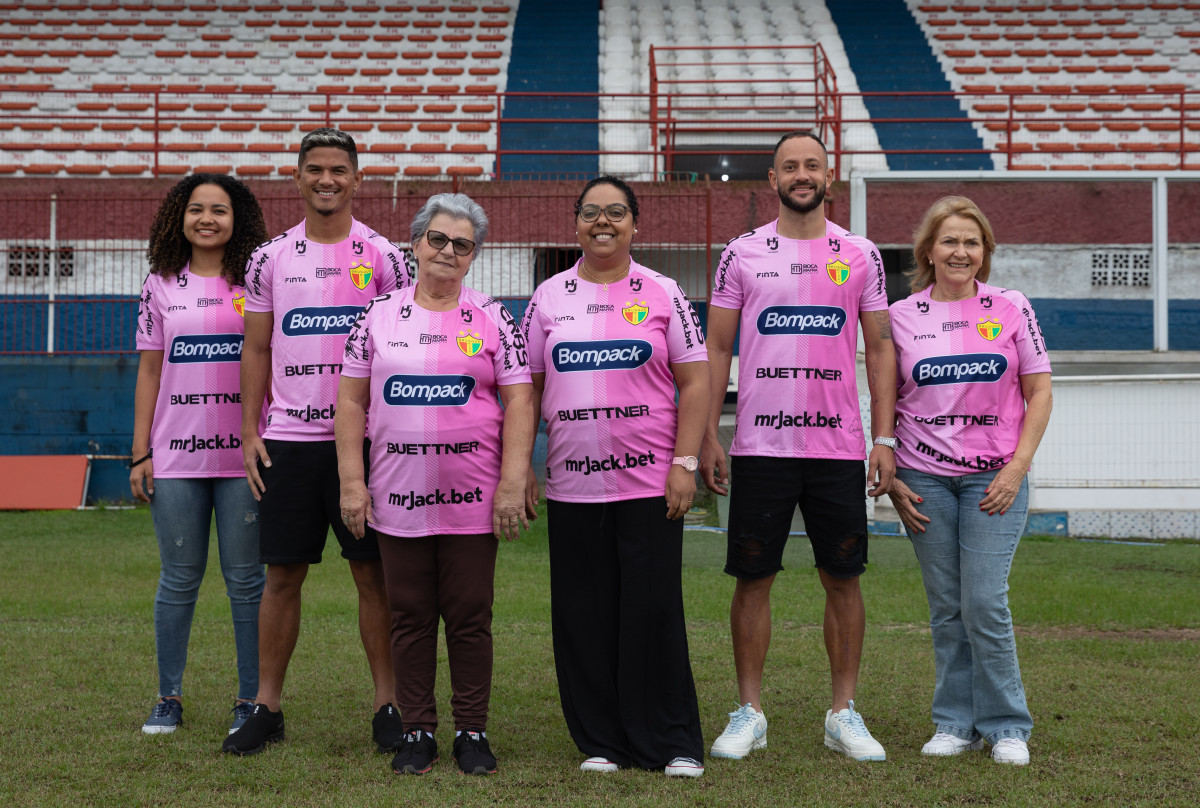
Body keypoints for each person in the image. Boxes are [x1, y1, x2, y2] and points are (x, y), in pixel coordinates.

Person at [700, 130, 897, 762]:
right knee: (752, 578)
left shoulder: (860, 253)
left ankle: (842, 713)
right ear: (773, 177)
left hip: (838, 448)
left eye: (812, 165)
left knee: (843, 578)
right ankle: (749, 712)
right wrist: (708, 433)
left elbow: (883, 348)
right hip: (760, 446)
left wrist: (884, 437)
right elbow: (718, 349)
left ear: (828, 176)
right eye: (791, 166)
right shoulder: (741, 254)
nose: (802, 174)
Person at [223, 128, 412, 755]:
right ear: (297, 178)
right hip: (289, 441)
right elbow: (254, 346)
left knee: (373, 576)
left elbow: (401, 343)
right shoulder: (268, 258)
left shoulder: (385, 256)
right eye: (315, 169)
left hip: (361, 443)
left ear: (358, 179)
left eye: (338, 170)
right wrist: (250, 430)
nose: (326, 179)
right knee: (281, 575)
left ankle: (388, 703)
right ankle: (265, 706)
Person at [336, 193, 534, 776]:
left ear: (475, 256)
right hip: (397, 498)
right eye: (438, 239)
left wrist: (513, 479)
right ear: (416, 243)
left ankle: (472, 731)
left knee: (471, 614)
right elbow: (349, 401)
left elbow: (520, 398)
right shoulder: (375, 317)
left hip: (473, 500)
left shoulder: (495, 316)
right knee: (410, 614)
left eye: (462, 244)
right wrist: (352, 482)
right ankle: (416, 729)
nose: (448, 251)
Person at [522, 176, 710, 778]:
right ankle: (602, 740)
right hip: (573, 485)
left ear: (635, 223)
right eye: (591, 213)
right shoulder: (548, 297)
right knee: (584, 612)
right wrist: (521, 469)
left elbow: (697, 383)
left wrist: (684, 464)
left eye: (616, 213)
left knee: (652, 610)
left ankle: (670, 741)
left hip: (650, 483)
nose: (603, 222)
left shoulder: (662, 291)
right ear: (575, 222)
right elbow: (526, 391)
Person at [886, 196, 1052, 766]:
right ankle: (955, 723)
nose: (961, 251)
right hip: (923, 477)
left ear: (985, 253)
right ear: (928, 251)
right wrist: (888, 466)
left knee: (984, 601)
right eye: (950, 241)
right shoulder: (900, 315)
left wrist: (1017, 467)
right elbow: (887, 399)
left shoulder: (1010, 306)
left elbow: (1040, 392)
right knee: (947, 607)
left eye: (972, 242)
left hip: (995, 479)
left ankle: (1007, 725)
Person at [132, 173, 269, 738]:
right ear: (178, 217)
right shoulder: (160, 283)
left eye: (219, 209)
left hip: (243, 460)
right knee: (178, 579)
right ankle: (168, 697)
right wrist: (140, 454)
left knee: (246, 582)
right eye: (196, 209)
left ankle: (250, 700)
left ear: (238, 220)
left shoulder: (256, 282)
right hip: (177, 458)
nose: (207, 218)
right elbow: (149, 371)